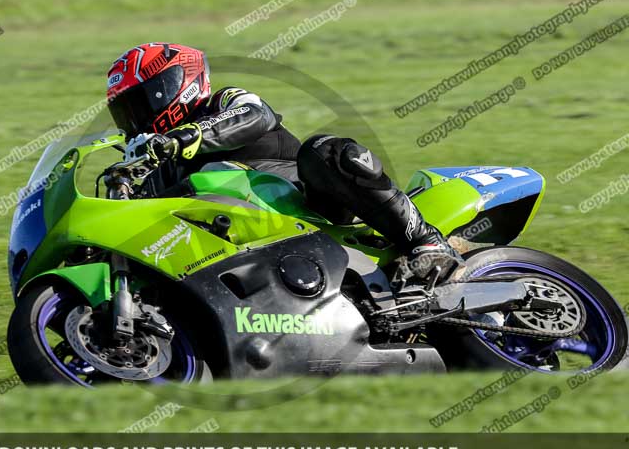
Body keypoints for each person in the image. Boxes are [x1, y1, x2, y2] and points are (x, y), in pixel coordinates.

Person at [106, 42, 462, 280]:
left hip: (317, 207)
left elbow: (256, 114)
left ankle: (426, 241)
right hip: (246, 255)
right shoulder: (157, 169)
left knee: (324, 149)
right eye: (125, 111)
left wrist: (182, 137)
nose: (136, 119)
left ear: (178, 85)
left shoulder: (223, 102)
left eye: (143, 102)